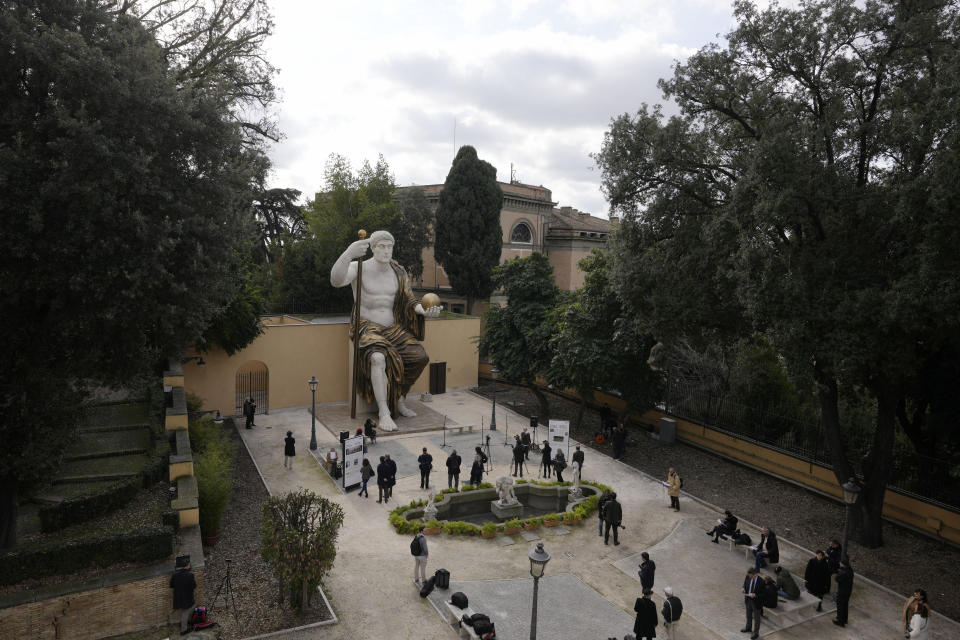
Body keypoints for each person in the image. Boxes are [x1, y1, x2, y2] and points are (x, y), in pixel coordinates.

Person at [330, 230, 441, 431]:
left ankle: (399, 398)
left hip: (393, 328)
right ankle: (383, 411)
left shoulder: (399, 272)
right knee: (378, 359)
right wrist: (348, 253)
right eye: (382, 246)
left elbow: (410, 300)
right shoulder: (359, 267)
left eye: (390, 246)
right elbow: (336, 281)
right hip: (367, 326)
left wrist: (423, 311)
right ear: (372, 248)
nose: (387, 250)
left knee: (420, 357)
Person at [170, 556, 197, 634]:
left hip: (178, 598)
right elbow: (194, 586)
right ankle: (183, 630)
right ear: (187, 566)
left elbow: (171, 585)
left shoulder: (174, 574)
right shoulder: (190, 575)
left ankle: (184, 623)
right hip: (187, 598)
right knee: (185, 612)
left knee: (184, 612)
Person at [742, 566, 762, 639]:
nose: (750, 577)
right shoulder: (748, 577)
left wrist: (755, 595)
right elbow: (745, 584)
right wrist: (743, 588)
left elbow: (764, 594)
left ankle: (756, 633)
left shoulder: (761, 581)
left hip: (756, 602)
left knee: (757, 618)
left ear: (755, 574)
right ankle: (748, 627)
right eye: (749, 575)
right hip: (748, 600)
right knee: (748, 615)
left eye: (751, 576)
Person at [833, 557, 854, 627]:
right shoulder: (850, 570)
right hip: (848, 591)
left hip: (842, 591)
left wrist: (839, 572)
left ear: (843, 564)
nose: (839, 563)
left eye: (840, 563)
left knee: (840, 606)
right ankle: (844, 619)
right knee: (845, 605)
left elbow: (836, 579)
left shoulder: (843, 572)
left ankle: (840, 621)